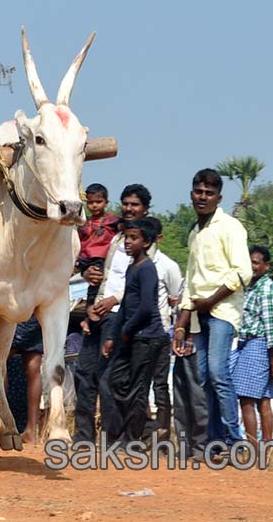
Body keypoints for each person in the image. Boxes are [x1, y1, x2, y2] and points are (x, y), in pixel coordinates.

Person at [173, 169, 252, 453]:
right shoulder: (195, 232)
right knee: (204, 378)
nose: (202, 197)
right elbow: (191, 280)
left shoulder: (230, 227)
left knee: (219, 373)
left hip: (223, 311)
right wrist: (181, 324)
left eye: (208, 193)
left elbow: (244, 271)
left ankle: (235, 440)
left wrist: (213, 300)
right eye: (198, 191)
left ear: (219, 197)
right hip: (198, 313)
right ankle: (216, 442)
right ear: (191, 193)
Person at [74, 184, 151, 443]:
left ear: (145, 209)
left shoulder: (147, 243)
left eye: (135, 205)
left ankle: (113, 441)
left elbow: (145, 283)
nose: (129, 209)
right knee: (84, 374)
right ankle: (83, 439)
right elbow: (104, 276)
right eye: (126, 204)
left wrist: (113, 300)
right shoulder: (116, 237)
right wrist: (91, 305)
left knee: (109, 379)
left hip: (121, 316)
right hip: (98, 312)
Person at [101, 218, 168, 443]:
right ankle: (129, 434)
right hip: (130, 337)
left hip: (148, 338)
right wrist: (112, 335)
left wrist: (127, 331)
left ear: (147, 242)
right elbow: (126, 306)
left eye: (134, 238)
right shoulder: (132, 268)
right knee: (115, 382)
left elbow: (147, 308)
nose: (128, 242)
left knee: (137, 391)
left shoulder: (147, 269)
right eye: (127, 237)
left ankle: (132, 440)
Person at [232, 245, 273, 446]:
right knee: (263, 400)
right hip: (252, 344)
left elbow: (272, 326)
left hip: (258, 344)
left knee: (246, 399)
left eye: (256, 262)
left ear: (266, 266)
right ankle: (266, 450)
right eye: (250, 262)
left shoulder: (266, 288)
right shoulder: (250, 286)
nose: (252, 266)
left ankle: (255, 450)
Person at [144, 216, 184, 441]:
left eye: (150, 238)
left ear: (158, 238)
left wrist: (177, 331)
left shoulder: (168, 266)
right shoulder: (132, 262)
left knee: (159, 384)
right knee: (137, 385)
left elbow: (176, 300)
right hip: (137, 334)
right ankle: (144, 433)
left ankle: (162, 435)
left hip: (160, 332)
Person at [77, 183, 121, 305]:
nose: (94, 205)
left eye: (99, 202)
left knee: (98, 284)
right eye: (91, 202)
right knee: (92, 285)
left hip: (102, 259)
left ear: (106, 202)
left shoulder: (112, 220)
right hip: (86, 259)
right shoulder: (84, 222)